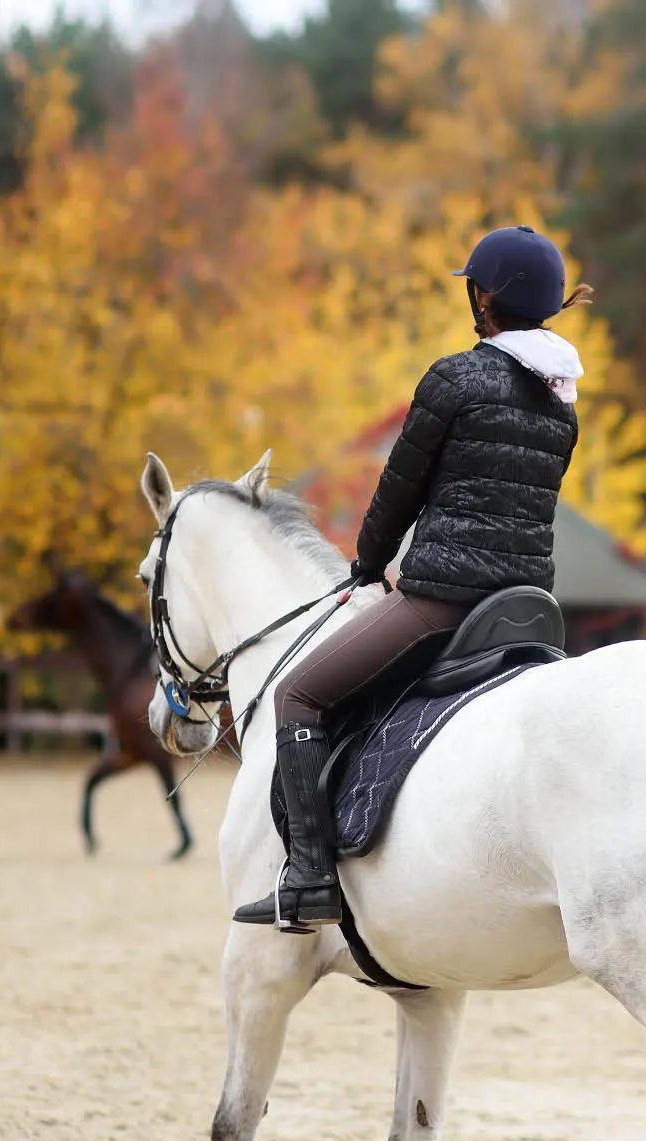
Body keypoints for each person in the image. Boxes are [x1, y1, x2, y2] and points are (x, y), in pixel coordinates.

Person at [240, 225, 589, 932]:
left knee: (299, 694)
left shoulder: (454, 379)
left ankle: (309, 877)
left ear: (485, 299)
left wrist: (367, 565)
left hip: (445, 602)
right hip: (526, 604)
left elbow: (400, 490)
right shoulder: (562, 401)